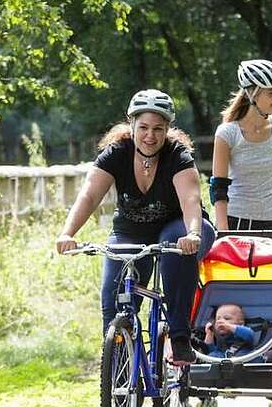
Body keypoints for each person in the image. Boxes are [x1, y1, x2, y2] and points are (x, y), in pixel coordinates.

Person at [55, 89, 216, 366]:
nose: (150, 136)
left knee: (174, 245)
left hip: (179, 227)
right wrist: (68, 233)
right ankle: (118, 372)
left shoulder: (177, 155)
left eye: (158, 129)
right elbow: (90, 195)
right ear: (131, 125)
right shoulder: (116, 153)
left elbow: (190, 198)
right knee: (113, 301)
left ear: (167, 129)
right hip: (131, 231)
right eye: (143, 127)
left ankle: (179, 336)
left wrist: (193, 233)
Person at [211, 59, 272, 231]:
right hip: (236, 221)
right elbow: (219, 187)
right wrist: (223, 230)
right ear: (253, 94)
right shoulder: (227, 133)